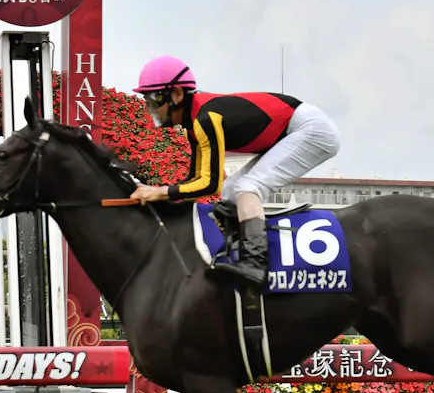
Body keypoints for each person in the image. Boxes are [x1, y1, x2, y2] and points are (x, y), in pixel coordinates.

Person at [130, 54, 341, 286]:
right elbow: (194, 181)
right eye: (147, 99)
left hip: (312, 129)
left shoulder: (205, 119)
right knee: (230, 190)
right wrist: (161, 200)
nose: (150, 107)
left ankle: (255, 263)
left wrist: (159, 192)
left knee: (248, 188)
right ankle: (235, 249)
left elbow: (209, 185)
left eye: (155, 99)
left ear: (177, 95)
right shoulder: (192, 124)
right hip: (292, 129)